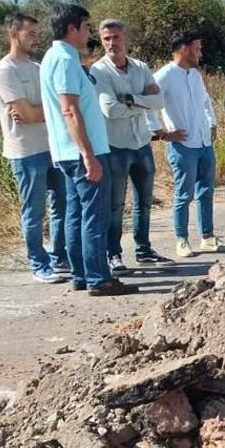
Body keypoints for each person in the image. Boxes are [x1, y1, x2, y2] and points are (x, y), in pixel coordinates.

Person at [39, 3, 138, 297]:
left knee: (77, 214)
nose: (88, 34)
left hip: (70, 152)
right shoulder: (65, 60)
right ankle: (98, 278)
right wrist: (88, 154)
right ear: (72, 28)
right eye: (85, 27)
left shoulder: (56, 57)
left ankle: (82, 274)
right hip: (82, 152)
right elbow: (69, 110)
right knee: (95, 216)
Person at [0, 12, 69, 283]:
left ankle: (60, 257)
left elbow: (49, 108)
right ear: (13, 33)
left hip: (52, 147)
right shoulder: (5, 70)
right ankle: (38, 263)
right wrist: (44, 111)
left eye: (37, 33)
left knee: (63, 205)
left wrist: (38, 111)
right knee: (34, 211)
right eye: (30, 34)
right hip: (25, 151)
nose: (36, 39)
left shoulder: (37, 67)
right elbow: (28, 114)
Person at [90, 19, 173, 271]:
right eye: (106, 38)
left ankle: (143, 249)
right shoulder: (99, 71)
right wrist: (141, 102)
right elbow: (110, 110)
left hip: (141, 142)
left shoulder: (140, 67)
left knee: (144, 202)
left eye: (115, 37)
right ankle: (113, 254)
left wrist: (129, 98)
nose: (111, 43)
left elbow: (159, 101)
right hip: (116, 145)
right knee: (115, 205)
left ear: (125, 38)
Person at [154, 31, 220, 258]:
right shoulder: (164, 75)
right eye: (197, 48)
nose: (200, 53)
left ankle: (207, 237)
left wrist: (212, 123)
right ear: (184, 49)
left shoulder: (195, 75)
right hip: (183, 145)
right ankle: (181, 240)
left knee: (206, 191)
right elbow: (147, 104)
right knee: (184, 194)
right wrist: (161, 133)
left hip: (204, 142)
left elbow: (205, 101)